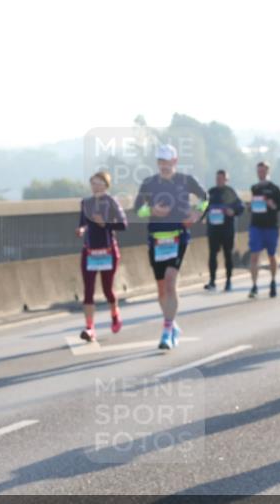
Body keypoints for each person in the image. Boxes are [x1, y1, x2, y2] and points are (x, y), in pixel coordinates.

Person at [134, 144, 207, 350]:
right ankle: (172, 323)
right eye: (160, 162)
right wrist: (152, 210)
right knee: (161, 289)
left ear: (175, 161)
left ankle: (166, 331)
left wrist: (197, 214)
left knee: (170, 281)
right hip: (157, 237)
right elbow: (137, 209)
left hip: (178, 236)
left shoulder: (186, 180)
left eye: (167, 161)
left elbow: (206, 198)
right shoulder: (149, 183)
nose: (164, 166)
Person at [77, 171, 127, 341]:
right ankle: (90, 328)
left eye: (98, 183)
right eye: (93, 183)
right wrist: (81, 230)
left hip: (108, 251)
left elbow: (123, 224)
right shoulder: (86, 203)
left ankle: (115, 315)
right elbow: (83, 223)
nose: (95, 186)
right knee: (88, 291)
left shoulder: (111, 202)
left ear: (106, 185)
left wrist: (104, 224)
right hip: (90, 251)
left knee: (107, 289)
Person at [248, 161, 280, 298]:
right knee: (254, 256)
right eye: (259, 171)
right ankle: (254, 286)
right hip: (256, 226)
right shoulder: (254, 188)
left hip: (271, 226)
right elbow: (253, 206)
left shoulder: (274, 188)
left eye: (263, 171)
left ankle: (273, 281)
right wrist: (251, 206)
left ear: (267, 171)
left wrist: (273, 205)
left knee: (272, 256)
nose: (261, 173)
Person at [203, 169, 244, 291]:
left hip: (227, 229)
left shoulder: (231, 192)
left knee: (228, 255)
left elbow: (241, 207)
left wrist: (233, 211)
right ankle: (212, 281)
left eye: (221, 179)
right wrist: (203, 215)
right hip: (213, 229)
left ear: (226, 180)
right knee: (212, 255)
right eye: (217, 179)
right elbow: (203, 206)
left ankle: (228, 281)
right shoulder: (211, 192)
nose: (219, 181)